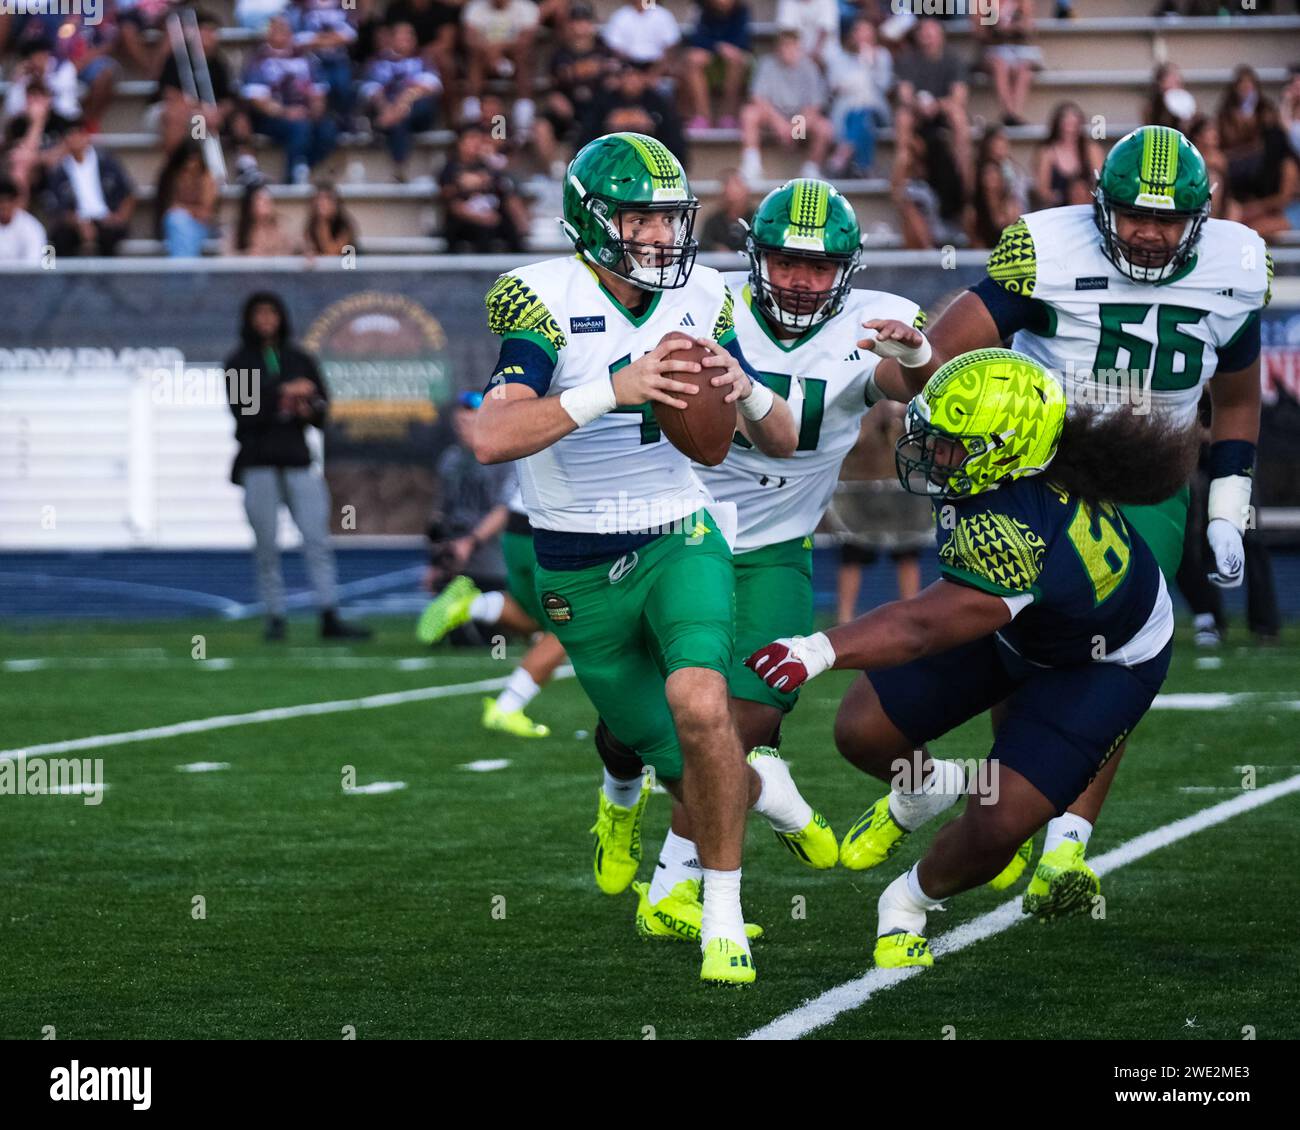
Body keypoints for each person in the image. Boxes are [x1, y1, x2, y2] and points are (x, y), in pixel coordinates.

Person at [863, 125, 1272, 913]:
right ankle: (999, 802)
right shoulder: (1047, 251)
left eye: (1168, 219)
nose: (1149, 233)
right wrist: (913, 354)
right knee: (1019, 636)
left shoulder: (1235, 264)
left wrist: (1228, 503)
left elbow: (1241, 396)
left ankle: (1065, 850)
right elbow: (927, 364)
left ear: (1200, 218)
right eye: (1132, 215)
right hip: (1035, 469)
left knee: (1104, 649)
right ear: (1099, 208)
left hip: (1147, 481)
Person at [471, 132, 823, 986]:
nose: (661, 237)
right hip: (575, 566)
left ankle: (722, 918)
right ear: (590, 220)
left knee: (702, 700)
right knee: (699, 775)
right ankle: (756, 795)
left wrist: (754, 390)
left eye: (669, 218)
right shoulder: (537, 298)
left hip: (679, 534)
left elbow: (782, 439)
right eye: (640, 218)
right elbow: (491, 434)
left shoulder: (705, 294)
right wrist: (609, 390)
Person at [745, 348, 1192, 967]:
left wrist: (818, 648)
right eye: (935, 434)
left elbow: (922, 627)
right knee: (862, 731)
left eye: (953, 444)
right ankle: (926, 790)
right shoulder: (1012, 462)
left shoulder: (1014, 525)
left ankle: (905, 902)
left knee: (997, 826)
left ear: (1008, 449)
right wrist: (920, 354)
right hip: (1024, 621)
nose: (932, 450)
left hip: (1102, 660)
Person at [619, 179, 927, 941]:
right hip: (678, 536)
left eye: (818, 268)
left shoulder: (869, 322)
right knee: (652, 727)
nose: (799, 280)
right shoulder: (701, 300)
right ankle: (761, 798)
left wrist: (917, 354)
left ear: (846, 272)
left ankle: (672, 886)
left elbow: (902, 378)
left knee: (747, 717)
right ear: (755, 256)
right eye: (785, 261)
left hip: (776, 548)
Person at [417, 392, 568, 739]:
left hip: (518, 530)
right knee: (566, 632)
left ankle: (474, 604)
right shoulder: (581, 403)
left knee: (534, 621)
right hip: (545, 528)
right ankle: (507, 707)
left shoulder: (535, 404)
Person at [224, 291, 372, 642]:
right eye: (258, 314)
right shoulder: (239, 361)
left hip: (297, 459)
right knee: (266, 545)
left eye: (271, 313)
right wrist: (283, 393)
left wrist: (307, 406)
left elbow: (322, 410)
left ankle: (329, 612)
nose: (265, 321)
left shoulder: (299, 357)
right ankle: (274, 616)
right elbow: (244, 413)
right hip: (259, 463)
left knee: (317, 539)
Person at [241, 15, 337, 184]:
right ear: (268, 33)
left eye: (285, 29)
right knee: (300, 128)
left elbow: (318, 91)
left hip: (304, 113)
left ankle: (303, 166)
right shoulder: (258, 60)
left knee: (328, 130)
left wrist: (315, 108)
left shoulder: (306, 58)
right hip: (271, 117)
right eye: (276, 29)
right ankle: (291, 179)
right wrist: (286, 112)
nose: (282, 33)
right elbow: (256, 99)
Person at [738, 29, 832, 184]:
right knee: (748, 114)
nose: (788, 50)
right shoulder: (767, 64)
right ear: (777, 48)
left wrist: (795, 130)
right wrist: (780, 125)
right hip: (772, 116)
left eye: (792, 46)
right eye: (784, 46)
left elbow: (814, 106)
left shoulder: (809, 67)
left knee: (825, 128)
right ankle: (752, 165)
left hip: (800, 119)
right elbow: (758, 98)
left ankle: (811, 169)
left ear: (799, 48)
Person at [360, 20, 441, 180]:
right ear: (391, 39)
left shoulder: (423, 60)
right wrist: (386, 109)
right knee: (398, 121)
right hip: (390, 111)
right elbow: (370, 89)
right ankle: (400, 166)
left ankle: (380, 127)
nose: (406, 38)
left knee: (414, 108)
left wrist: (404, 102)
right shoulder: (378, 62)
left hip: (417, 111)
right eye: (401, 35)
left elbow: (432, 85)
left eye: (410, 35)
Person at [42, 122, 136, 258]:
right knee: (54, 243)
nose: (75, 139)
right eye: (70, 135)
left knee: (109, 236)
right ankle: (57, 276)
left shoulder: (107, 163)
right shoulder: (58, 171)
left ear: (86, 137)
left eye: (78, 134)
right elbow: (55, 207)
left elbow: (128, 192)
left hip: (106, 219)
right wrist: (78, 223)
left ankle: (106, 278)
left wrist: (119, 217)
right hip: (74, 222)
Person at [437, 124, 529, 253]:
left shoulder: (487, 167)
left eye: (478, 140)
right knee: (482, 230)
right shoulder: (450, 169)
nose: (475, 144)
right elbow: (451, 203)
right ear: (460, 143)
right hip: (464, 220)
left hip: (491, 216)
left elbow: (503, 190)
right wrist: (462, 186)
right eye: (471, 139)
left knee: (508, 225)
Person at [826, 17, 893, 179]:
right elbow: (834, 85)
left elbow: (884, 85)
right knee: (863, 120)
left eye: (866, 32)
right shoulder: (838, 57)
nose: (862, 36)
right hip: (845, 111)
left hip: (875, 108)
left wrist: (871, 64)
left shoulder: (882, 56)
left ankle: (842, 154)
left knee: (863, 113)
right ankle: (863, 168)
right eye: (858, 31)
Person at [682, 0, 751, 130]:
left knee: (737, 60)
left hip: (731, 60)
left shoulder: (742, 11)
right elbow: (697, 38)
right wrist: (717, 47)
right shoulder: (700, 9)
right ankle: (703, 116)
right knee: (692, 60)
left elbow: (743, 41)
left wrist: (726, 49)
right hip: (710, 58)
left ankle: (727, 115)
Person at [1034, 101, 1102, 210]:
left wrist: (1084, 195)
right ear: (1057, 125)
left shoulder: (1091, 149)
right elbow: (1043, 190)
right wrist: (1057, 197)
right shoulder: (1047, 152)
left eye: (1074, 125)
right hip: (1059, 207)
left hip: (1087, 207)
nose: (1070, 129)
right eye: (1066, 124)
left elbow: (1099, 180)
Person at [156, 139, 218, 257]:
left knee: (181, 225)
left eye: (195, 169)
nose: (189, 176)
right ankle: (185, 270)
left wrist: (183, 209)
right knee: (176, 221)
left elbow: (206, 215)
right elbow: (169, 208)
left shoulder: (207, 178)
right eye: (185, 170)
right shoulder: (171, 177)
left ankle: (182, 271)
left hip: (202, 226)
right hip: (175, 226)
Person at [233, 182, 296, 255]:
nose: (267, 203)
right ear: (250, 205)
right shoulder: (239, 229)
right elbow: (228, 254)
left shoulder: (281, 227)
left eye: (268, 200)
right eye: (261, 200)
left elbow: (293, 249)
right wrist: (248, 254)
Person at [698, 168, 750, 252]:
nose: (732, 193)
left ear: (745, 191)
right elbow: (703, 244)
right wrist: (716, 248)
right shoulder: (714, 221)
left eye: (737, 186)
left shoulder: (755, 219)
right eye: (728, 186)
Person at [0, 175, 47, 265]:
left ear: (16, 202)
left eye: (7, 201)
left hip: (23, 278)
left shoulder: (31, 227)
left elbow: (33, 263)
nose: (3, 206)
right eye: (0, 202)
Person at [302, 183, 357, 257]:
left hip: (348, 266)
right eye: (318, 199)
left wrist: (323, 225)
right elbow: (308, 247)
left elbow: (332, 253)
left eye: (327, 198)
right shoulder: (312, 224)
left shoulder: (344, 225)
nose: (322, 203)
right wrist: (310, 253)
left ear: (335, 203)